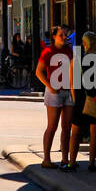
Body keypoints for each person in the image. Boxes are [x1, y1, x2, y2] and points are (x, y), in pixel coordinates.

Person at [68, 30, 96, 171]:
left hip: (79, 99)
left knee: (76, 133)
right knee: (94, 132)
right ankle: (91, 164)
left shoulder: (75, 61)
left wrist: (75, 99)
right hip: (95, 98)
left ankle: (72, 162)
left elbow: (72, 84)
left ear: (84, 43)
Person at [36, 26, 74, 168]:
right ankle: (46, 159)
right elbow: (38, 72)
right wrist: (50, 86)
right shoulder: (48, 51)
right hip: (54, 92)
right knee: (52, 126)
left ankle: (65, 159)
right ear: (54, 37)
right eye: (61, 35)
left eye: (65, 35)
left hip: (68, 91)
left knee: (67, 127)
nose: (64, 37)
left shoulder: (69, 50)